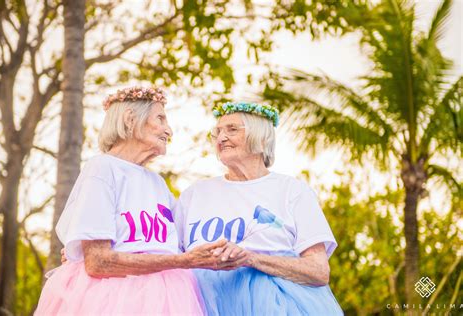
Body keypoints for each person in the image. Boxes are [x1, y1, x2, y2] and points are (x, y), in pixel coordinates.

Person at [35, 87, 231, 315]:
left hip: (169, 299)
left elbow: (183, 238)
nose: (169, 130)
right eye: (160, 118)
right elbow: (98, 262)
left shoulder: (157, 182)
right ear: (130, 119)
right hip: (109, 300)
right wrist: (184, 261)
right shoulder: (103, 168)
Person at [174, 101, 343, 315]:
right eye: (217, 132)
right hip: (202, 305)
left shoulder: (293, 191)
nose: (221, 138)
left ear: (261, 138)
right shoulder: (194, 194)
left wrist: (251, 258)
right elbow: (173, 258)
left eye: (232, 129)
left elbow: (318, 271)